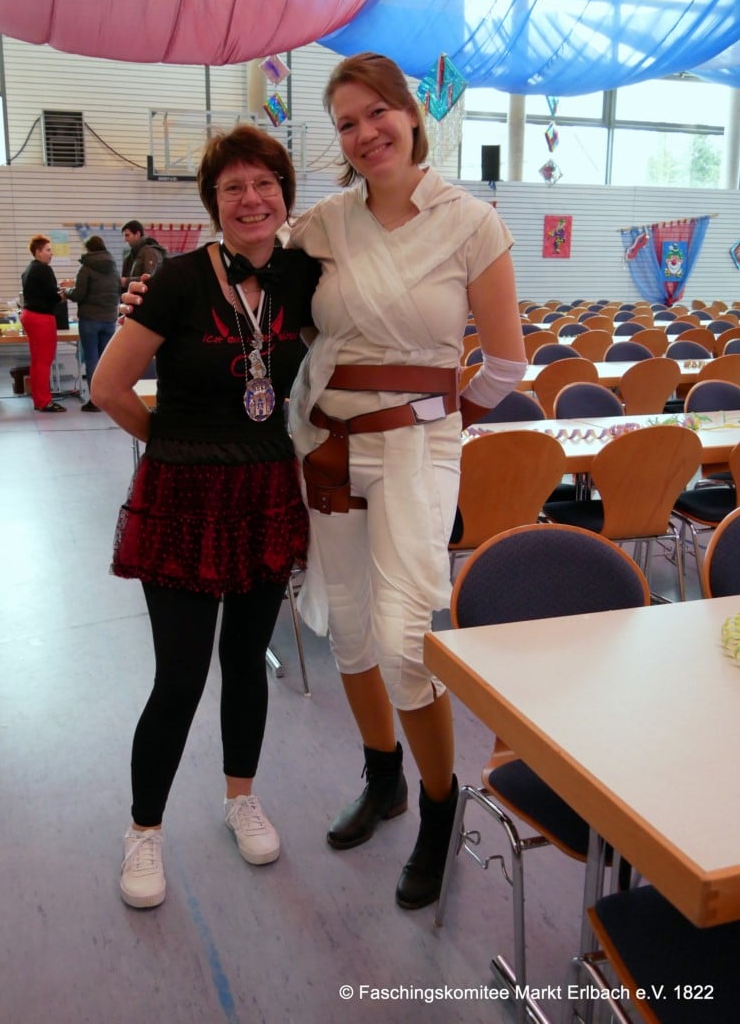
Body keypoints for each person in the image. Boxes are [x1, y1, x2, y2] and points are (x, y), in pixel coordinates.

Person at [285, 52, 527, 911]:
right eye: (346, 124)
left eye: (376, 113)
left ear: (412, 113)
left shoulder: (471, 222)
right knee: (349, 629)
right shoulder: (322, 225)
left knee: (404, 640)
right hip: (328, 444)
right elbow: (273, 302)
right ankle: (382, 775)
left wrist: (436, 422)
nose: (365, 133)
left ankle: (437, 803)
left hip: (418, 453)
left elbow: (504, 365)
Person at [92, 125, 320, 910]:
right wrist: (174, 445)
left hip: (265, 494)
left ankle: (240, 798)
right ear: (214, 203)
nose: (251, 199)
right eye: (233, 188)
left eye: (264, 184)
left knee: (247, 660)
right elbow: (109, 386)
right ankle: (144, 830)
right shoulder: (178, 279)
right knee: (181, 675)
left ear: (284, 195)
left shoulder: (303, 279)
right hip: (184, 500)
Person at [63, 235, 120, 411]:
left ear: (88, 249)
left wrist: (66, 291)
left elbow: (79, 294)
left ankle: (95, 401)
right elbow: (117, 290)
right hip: (109, 320)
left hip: (90, 320)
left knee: (92, 359)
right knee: (105, 361)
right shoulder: (113, 267)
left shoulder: (86, 268)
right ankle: (107, 399)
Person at [20, 234, 68, 413]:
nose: (51, 253)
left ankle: (38, 398)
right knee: (44, 360)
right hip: (41, 317)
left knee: (37, 360)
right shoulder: (44, 269)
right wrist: (64, 295)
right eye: (48, 250)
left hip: (28, 315)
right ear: (38, 252)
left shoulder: (28, 269)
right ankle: (44, 401)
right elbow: (52, 295)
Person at [120, 221, 166, 288]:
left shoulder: (150, 252)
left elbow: (152, 279)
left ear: (137, 234)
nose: (125, 240)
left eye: (127, 235)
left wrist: (126, 282)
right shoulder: (131, 256)